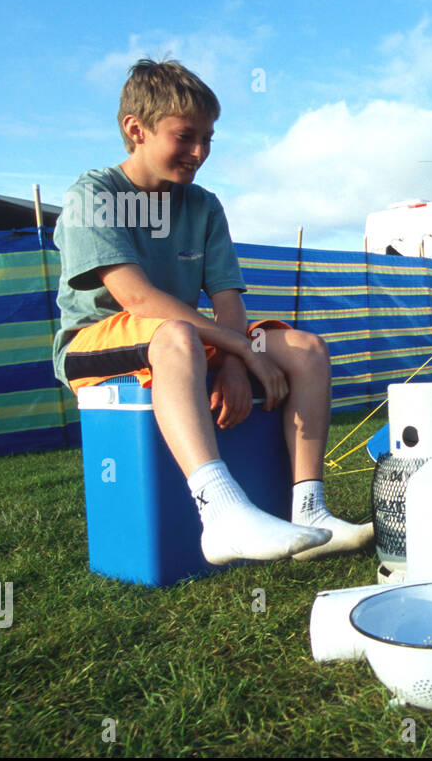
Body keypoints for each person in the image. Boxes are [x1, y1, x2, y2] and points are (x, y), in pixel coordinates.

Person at [52, 58, 372, 566]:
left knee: (306, 350)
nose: (199, 152)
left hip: (186, 337)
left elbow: (227, 301)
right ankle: (220, 514)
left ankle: (310, 510)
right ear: (135, 129)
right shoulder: (93, 195)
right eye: (185, 136)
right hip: (96, 342)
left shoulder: (203, 205)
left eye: (208, 139)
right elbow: (135, 299)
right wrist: (240, 347)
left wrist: (233, 364)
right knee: (175, 334)